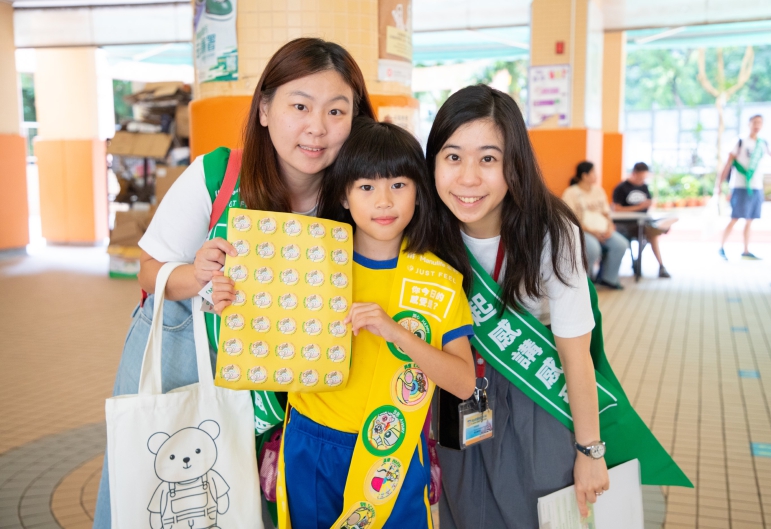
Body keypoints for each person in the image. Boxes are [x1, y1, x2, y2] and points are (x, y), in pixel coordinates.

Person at [92, 38, 376, 529]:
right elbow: (149, 270)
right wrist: (198, 276)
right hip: (193, 368)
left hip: (294, 394)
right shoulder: (218, 174)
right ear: (264, 109)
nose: (317, 127)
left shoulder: (359, 198)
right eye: (300, 106)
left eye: (337, 111)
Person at [213, 118, 476, 528]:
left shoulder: (438, 280)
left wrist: (396, 333)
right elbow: (263, 334)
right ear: (344, 196)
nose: (384, 201)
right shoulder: (310, 261)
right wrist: (231, 301)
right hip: (312, 441)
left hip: (394, 451)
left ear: (420, 193)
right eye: (366, 187)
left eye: (399, 185)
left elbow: (463, 383)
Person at [427, 85, 609, 529]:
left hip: (532, 399)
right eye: (453, 157)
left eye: (488, 159)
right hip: (454, 399)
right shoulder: (424, 228)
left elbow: (576, 355)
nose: (468, 178)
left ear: (514, 164)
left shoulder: (552, 232)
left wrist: (589, 451)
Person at [716, 114, 771, 260]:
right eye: (755, 122)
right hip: (740, 186)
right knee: (735, 217)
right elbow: (728, 164)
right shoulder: (740, 141)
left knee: (750, 219)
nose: (757, 125)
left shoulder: (762, 143)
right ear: (749, 124)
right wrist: (719, 184)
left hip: (756, 187)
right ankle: (721, 247)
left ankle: (745, 250)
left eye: (760, 122)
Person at [562, 161, 629, 289]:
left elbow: (606, 213)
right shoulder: (570, 193)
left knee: (621, 244)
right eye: (593, 172)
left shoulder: (599, 191)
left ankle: (609, 279)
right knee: (593, 248)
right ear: (584, 175)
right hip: (582, 230)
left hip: (602, 230)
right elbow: (569, 219)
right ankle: (584, 282)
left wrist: (609, 228)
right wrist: (593, 233)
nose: (596, 175)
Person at [612, 162, 677, 278]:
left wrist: (647, 205)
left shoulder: (644, 187)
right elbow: (617, 209)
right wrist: (639, 207)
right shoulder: (622, 187)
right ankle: (653, 263)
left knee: (654, 232)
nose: (642, 180)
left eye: (644, 178)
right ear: (634, 173)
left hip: (644, 222)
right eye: (640, 177)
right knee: (652, 234)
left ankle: (659, 265)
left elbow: (647, 204)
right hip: (627, 225)